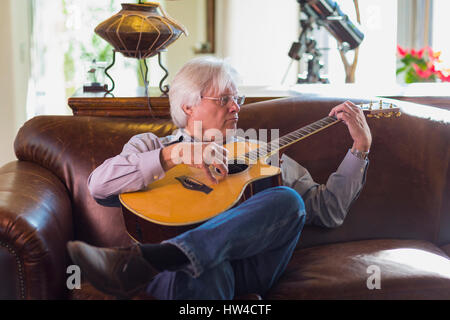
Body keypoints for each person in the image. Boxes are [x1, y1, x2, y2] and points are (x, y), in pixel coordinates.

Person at [67, 56, 371, 300]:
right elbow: (99, 186)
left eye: (237, 98)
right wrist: (176, 155)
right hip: (184, 277)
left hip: (248, 269)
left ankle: (158, 257)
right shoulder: (151, 146)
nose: (236, 107)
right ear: (188, 106)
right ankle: (179, 256)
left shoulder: (262, 155)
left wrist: (360, 148)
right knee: (204, 268)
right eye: (224, 98)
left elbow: (328, 210)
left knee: (288, 200)